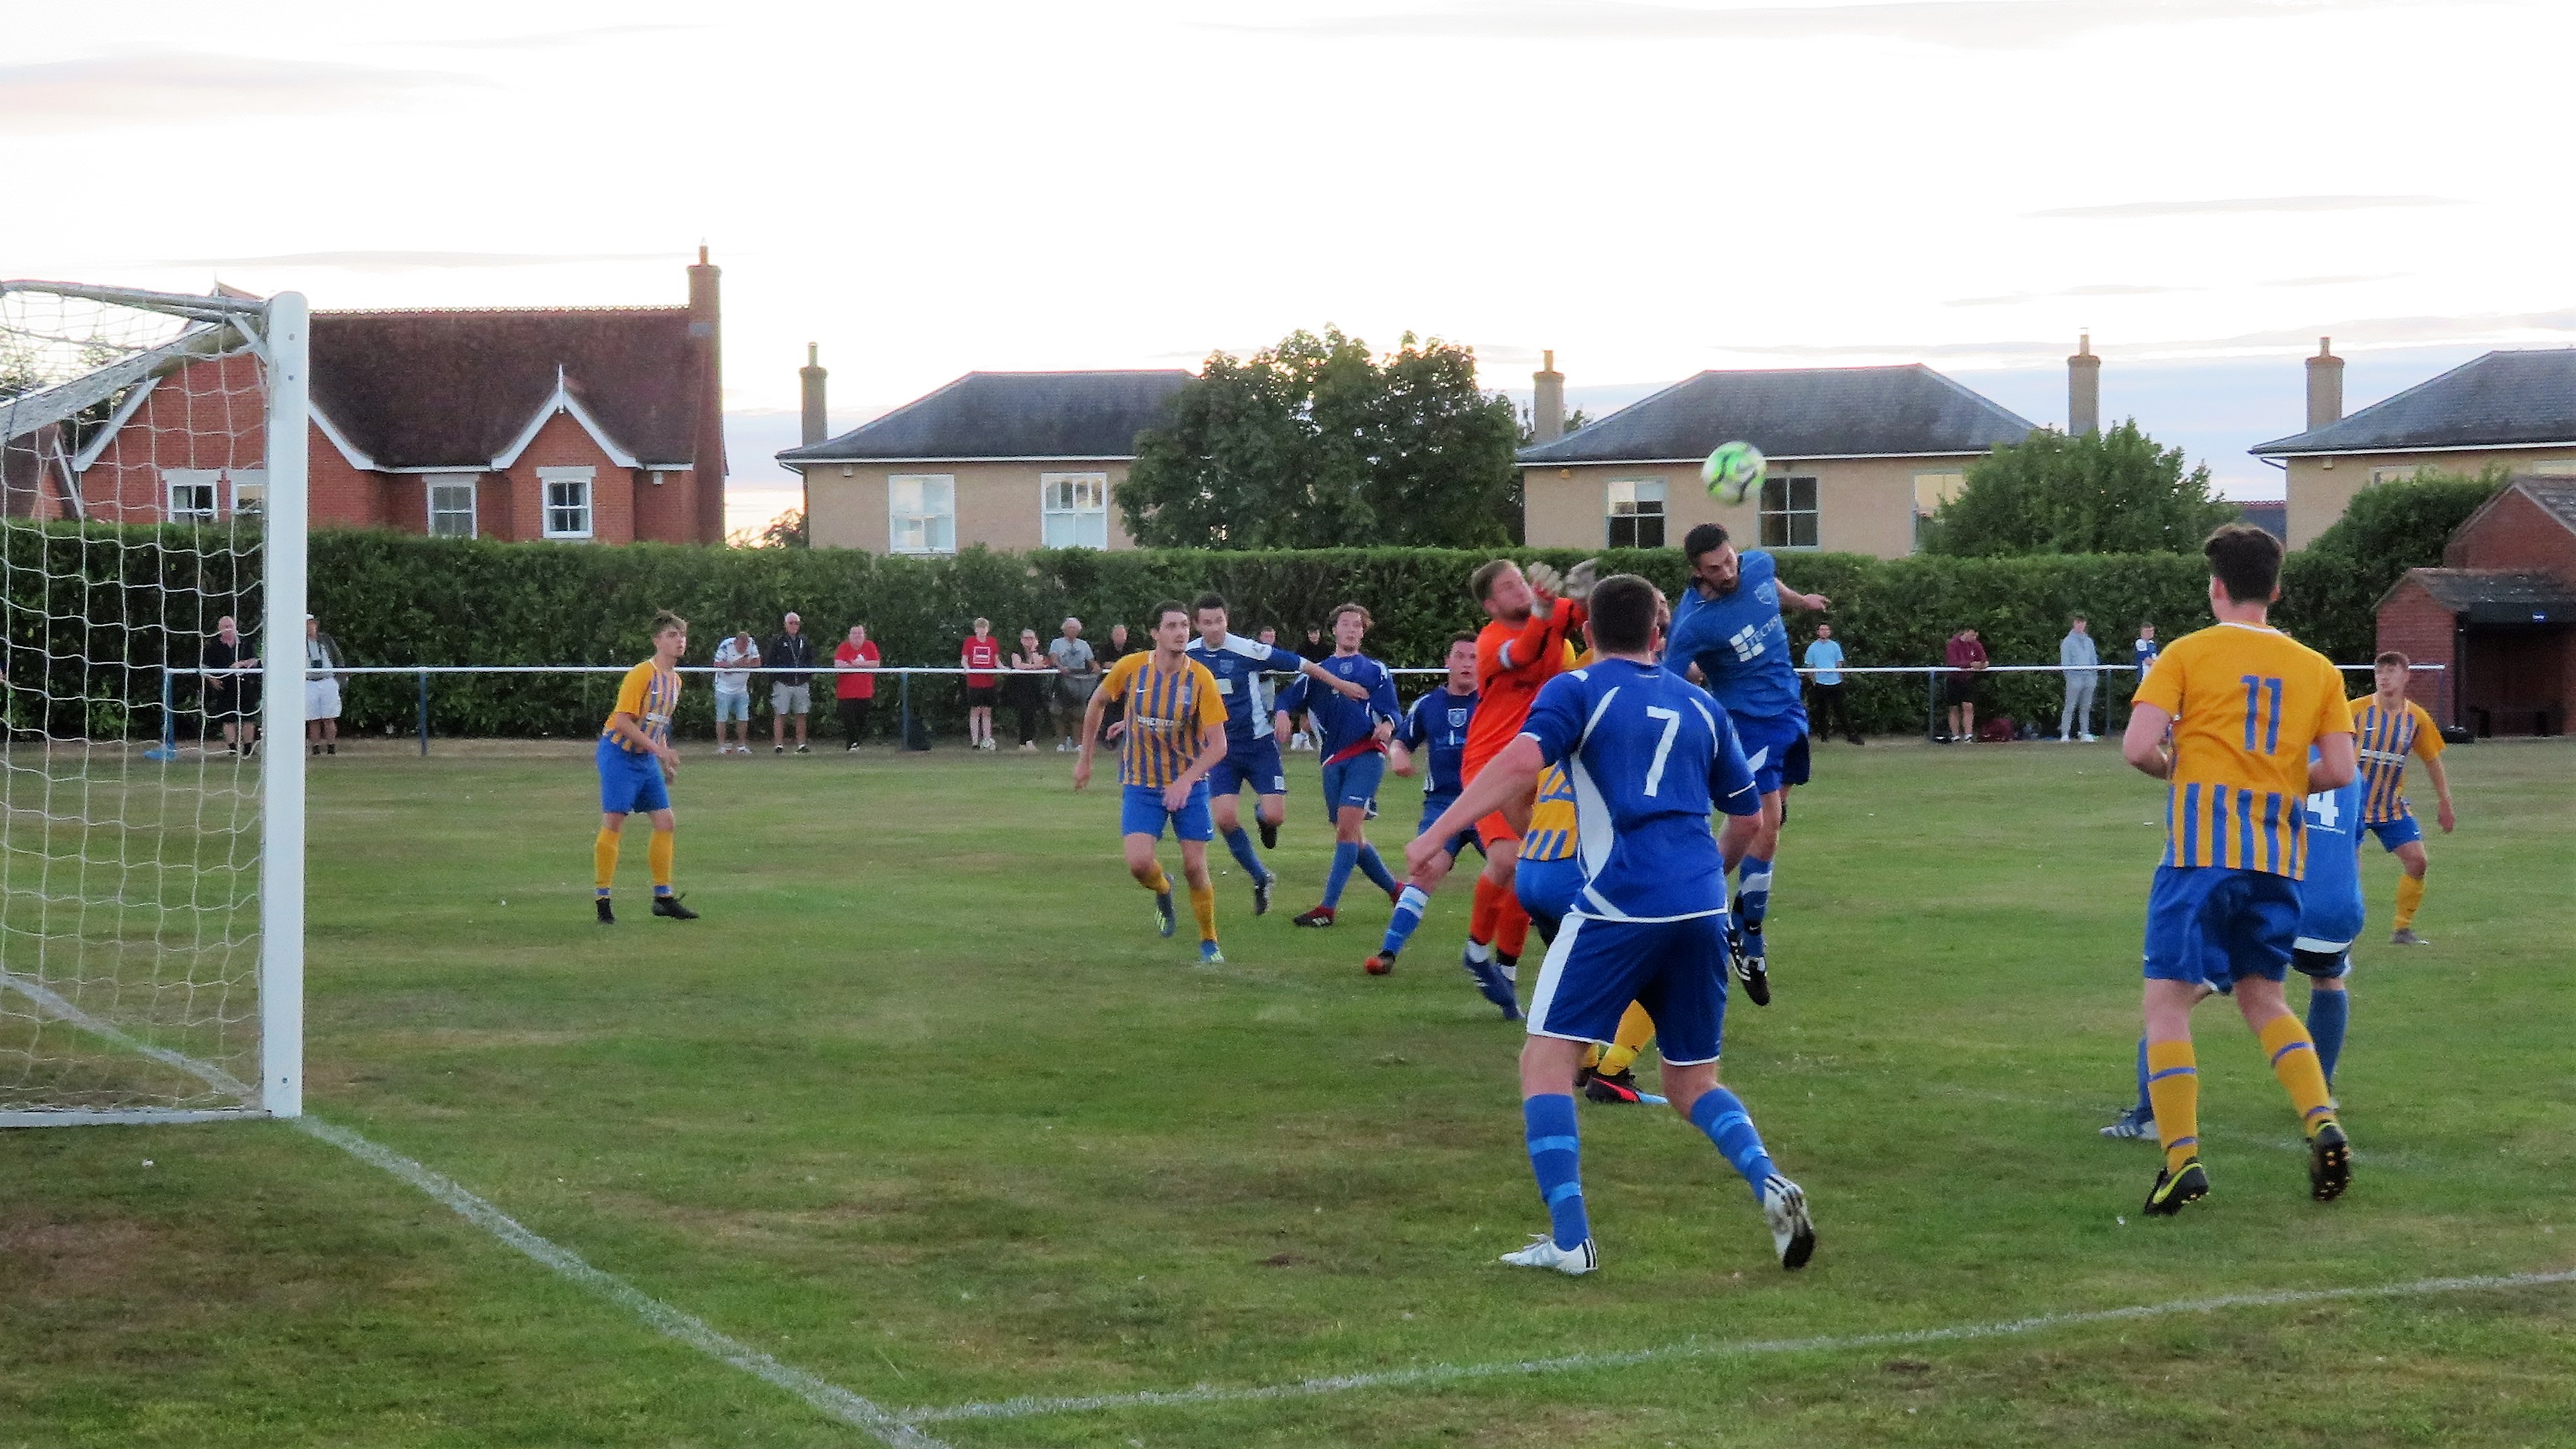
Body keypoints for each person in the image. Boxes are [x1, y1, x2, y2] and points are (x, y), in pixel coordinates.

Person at [1405, 573, 1812, 1277]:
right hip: (1698, 907)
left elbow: (1519, 762)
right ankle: (1769, 1179)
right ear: (1660, 636)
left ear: (1586, 635)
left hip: (1620, 902)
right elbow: (1748, 818)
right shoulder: (1702, 703)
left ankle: (1571, 1240)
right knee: (1691, 1082)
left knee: (1545, 1056)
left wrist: (1439, 832)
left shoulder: (1579, 689)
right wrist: (1705, 881)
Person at [2119, 524, 2356, 1216]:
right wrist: (2280, 785)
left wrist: (2177, 770)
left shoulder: (2187, 653)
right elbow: (2341, 769)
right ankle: (2322, 1118)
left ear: (2215, 587)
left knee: (2166, 1002)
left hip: (2199, 855)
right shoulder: (2319, 669)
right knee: (2266, 998)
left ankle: (2181, 1159)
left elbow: (2138, 748)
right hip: (2278, 860)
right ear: (2276, 589)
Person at [2105, 750, 2364, 1140]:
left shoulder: (2269, 753)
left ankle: (2151, 1116)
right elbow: (2354, 840)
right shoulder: (2348, 768)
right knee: (2327, 979)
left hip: (2270, 886)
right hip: (2335, 906)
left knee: (2173, 1001)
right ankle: (2317, 1095)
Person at [1662, 524, 1830, 1009]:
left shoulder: (1757, 565)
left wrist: (1801, 602)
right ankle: (1738, 928)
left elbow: (1772, 588)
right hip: (1745, 725)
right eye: (1715, 567)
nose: (1728, 569)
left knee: (1768, 824)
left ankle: (1729, 913)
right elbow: (1672, 678)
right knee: (1765, 824)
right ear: (1698, 571)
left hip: (1788, 713)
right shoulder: (1694, 620)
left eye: (1729, 558)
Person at [1454, 558, 1591, 1016]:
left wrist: (1591, 592)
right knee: (1508, 857)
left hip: (1542, 762)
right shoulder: (1491, 641)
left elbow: (1594, 619)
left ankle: (1508, 969)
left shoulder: (1549, 611)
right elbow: (1527, 651)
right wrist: (1548, 608)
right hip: (1491, 763)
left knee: (1535, 868)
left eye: (1521, 581)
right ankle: (1475, 950)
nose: (1521, 589)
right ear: (1491, 604)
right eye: (1509, 587)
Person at [1186, 593, 1370, 914]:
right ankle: (1261, 877)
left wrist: (1339, 684)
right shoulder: (1188, 655)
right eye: (1207, 622)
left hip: (1258, 746)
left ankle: (1263, 819)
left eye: (1219, 620)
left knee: (1275, 816)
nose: (1214, 628)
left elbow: (1303, 665)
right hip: (1219, 750)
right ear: (1197, 624)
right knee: (1225, 818)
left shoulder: (1247, 650)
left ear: (1227, 619)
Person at [1074, 601, 1229, 965]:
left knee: (1196, 867)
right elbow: (1097, 703)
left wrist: (1186, 782)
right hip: (1141, 782)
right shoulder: (1131, 668)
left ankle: (1209, 941)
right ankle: (1163, 888)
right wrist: (1085, 759)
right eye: (1172, 626)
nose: (1180, 633)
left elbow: (1219, 745)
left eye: (1184, 627)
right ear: (1155, 633)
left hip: (1188, 785)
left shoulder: (1200, 678)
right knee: (1140, 865)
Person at [1273, 604, 1403, 928]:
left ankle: (1327, 909)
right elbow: (1286, 699)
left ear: (1363, 631)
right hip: (1331, 760)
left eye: (1357, 625)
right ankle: (1398, 890)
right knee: (1352, 837)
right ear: (1334, 630)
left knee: (1347, 828)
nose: (1351, 630)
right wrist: (1280, 715)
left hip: (1367, 754)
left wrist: (1387, 727)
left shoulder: (1376, 670)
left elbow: (1393, 712)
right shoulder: (1319, 672)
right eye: (1345, 624)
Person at [1368, 634, 1480, 977]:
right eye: (1460, 656)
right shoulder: (1428, 705)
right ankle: (1388, 952)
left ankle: (1558, 949)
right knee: (1425, 870)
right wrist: (1397, 758)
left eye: (1474, 658)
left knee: (1522, 876)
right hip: (1442, 805)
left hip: (1489, 804)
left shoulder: (1494, 702)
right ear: (1447, 661)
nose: (1466, 663)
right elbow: (1401, 743)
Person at [594, 610, 699, 924]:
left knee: (665, 821)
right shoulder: (641, 674)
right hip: (618, 754)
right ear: (657, 641)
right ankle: (603, 900)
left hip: (645, 757)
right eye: (671, 635)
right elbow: (623, 722)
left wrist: (663, 758)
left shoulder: (675, 681)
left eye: (681, 635)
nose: (679, 641)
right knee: (615, 821)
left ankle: (663, 898)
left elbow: (658, 724)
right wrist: (659, 752)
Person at [2352, 651, 2456, 946]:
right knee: (2348, 873)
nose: (2384, 677)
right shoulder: (2354, 711)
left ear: (2406, 675)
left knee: (2418, 861)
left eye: (2391, 671)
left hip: (2391, 807)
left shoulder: (2416, 718)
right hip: (2353, 806)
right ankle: (2341, 934)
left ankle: (2402, 929)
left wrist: (2445, 802)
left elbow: (2433, 760)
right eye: (2379, 672)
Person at [201, 615, 260, 756]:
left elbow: (255, 660)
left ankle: (248, 747)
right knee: (228, 718)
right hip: (225, 685)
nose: (228, 629)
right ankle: (232, 748)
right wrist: (212, 679)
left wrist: (241, 664)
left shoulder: (245, 642)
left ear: (235, 627)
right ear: (219, 630)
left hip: (245, 683)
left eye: (230, 626)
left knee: (247, 717)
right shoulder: (213, 645)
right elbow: (203, 666)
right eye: (224, 627)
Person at [767, 612, 816, 755]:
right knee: (780, 713)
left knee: (801, 714)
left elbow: (810, 659)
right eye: (791, 623)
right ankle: (779, 745)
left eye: (797, 623)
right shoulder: (778, 640)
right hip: (783, 683)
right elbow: (770, 660)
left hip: (801, 683)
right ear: (785, 625)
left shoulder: (804, 641)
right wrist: (775, 679)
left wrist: (807, 676)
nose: (794, 626)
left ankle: (801, 745)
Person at [1803, 622, 1858, 746]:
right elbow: (1810, 667)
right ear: (1818, 632)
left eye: (1826, 630)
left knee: (1841, 710)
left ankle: (1851, 735)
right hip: (1821, 684)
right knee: (1822, 711)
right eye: (1821, 629)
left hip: (1835, 683)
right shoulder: (1812, 648)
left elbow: (1839, 664)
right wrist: (1814, 682)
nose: (1824, 632)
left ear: (1830, 632)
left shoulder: (1835, 646)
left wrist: (1841, 679)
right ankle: (1824, 736)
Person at [1047, 617, 1097, 752]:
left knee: (1079, 713)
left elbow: (1091, 661)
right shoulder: (1057, 643)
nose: (1072, 630)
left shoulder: (1083, 644)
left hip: (1079, 681)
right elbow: (1053, 657)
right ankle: (1062, 743)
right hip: (1061, 681)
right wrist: (1060, 666)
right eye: (1070, 628)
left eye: (1075, 628)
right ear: (1064, 629)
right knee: (1058, 712)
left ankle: (1077, 743)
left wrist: (1096, 667)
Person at [302, 615, 347, 757]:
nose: (308, 627)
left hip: (327, 680)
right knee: (312, 718)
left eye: (310, 624)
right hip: (309, 682)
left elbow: (338, 658)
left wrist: (339, 679)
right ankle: (315, 748)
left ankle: (331, 747)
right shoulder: (299, 642)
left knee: (329, 716)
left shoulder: (325, 640)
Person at [711, 626, 761, 755]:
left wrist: (747, 664)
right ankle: (721, 746)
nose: (744, 648)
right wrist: (735, 664)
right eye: (742, 646)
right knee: (722, 717)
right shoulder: (726, 645)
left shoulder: (751, 644)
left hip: (741, 688)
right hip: (723, 688)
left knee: (743, 717)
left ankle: (742, 745)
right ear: (736, 642)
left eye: (746, 645)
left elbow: (757, 663)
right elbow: (717, 664)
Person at [958, 618, 1003, 752]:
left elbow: (996, 661)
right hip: (974, 682)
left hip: (989, 681)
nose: (982, 630)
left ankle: (988, 739)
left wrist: (1003, 668)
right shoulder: (970, 641)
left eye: (985, 628)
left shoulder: (992, 642)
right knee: (975, 710)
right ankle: (975, 741)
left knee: (987, 711)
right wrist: (966, 668)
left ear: (988, 629)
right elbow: (964, 660)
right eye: (980, 628)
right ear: (976, 629)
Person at [1006, 627, 1053, 752]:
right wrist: (1034, 667)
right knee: (1024, 712)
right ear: (1021, 640)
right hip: (1019, 685)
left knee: (1032, 713)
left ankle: (1029, 741)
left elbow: (1041, 664)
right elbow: (1018, 665)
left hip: (1034, 685)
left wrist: (1033, 650)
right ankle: (1023, 742)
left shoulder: (1038, 651)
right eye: (1026, 638)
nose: (1029, 641)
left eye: (1032, 638)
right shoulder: (1016, 651)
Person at [832, 624, 879, 749]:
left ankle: (854, 743)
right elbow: (838, 665)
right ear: (849, 635)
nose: (857, 636)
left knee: (861, 718)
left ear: (864, 635)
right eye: (854, 633)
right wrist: (855, 666)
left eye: (860, 633)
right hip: (845, 692)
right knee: (848, 717)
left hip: (865, 692)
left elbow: (875, 663)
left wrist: (859, 664)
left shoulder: (870, 646)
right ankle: (853, 742)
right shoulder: (844, 647)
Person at [2059, 614, 2100, 742]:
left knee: (2086, 706)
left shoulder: (2089, 641)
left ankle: (2085, 733)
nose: (2080, 625)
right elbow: (2065, 662)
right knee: (2070, 706)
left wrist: (2094, 676)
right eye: (2078, 623)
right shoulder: (2067, 642)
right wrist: (2070, 677)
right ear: (2074, 624)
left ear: (2085, 624)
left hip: (2089, 677)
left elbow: (2094, 660)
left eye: (2082, 623)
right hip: (2074, 678)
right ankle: (2065, 733)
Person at [1943, 627, 1987, 743]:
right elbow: (1953, 662)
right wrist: (1971, 664)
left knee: (1968, 706)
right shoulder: (1953, 644)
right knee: (1954, 708)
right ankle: (1955, 735)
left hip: (1968, 679)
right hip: (1953, 678)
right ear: (1966, 632)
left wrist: (1983, 664)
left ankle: (1968, 735)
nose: (1974, 638)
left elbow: (1983, 659)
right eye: (1973, 635)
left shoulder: (1976, 644)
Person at [1096, 622, 1133, 745]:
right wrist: (1122, 665)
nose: (1120, 637)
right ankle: (1107, 738)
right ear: (1112, 636)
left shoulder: (1131, 647)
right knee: (1108, 711)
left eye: (1122, 634)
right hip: (1109, 686)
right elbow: (1104, 664)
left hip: (1127, 686)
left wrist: (1117, 665)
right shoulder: (1105, 648)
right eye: (1117, 634)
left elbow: (1132, 664)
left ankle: (1124, 737)